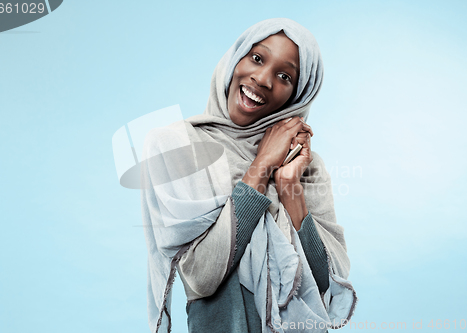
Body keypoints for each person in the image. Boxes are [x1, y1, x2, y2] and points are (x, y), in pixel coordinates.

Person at [141, 18, 357, 333]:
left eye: (285, 76)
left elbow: (324, 283)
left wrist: (287, 186)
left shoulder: (304, 165)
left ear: (297, 95)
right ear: (236, 58)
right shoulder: (175, 146)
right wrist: (260, 168)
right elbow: (202, 277)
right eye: (257, 58)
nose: (262, 78)